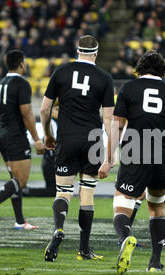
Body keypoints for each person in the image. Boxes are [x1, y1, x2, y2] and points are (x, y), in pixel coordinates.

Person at [99, 50, 165, 273]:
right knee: (157, 209)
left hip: (134, 151)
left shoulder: (129, 88)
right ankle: (155, 263)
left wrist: (108, 159)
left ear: (139, 69)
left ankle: (126, 238)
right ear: (163, 70)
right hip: (162, 155)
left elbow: (117, 126)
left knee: (121, 206)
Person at [41, 35, 115, 262]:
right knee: (87, 194)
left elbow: (45, 109)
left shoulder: (61, 72)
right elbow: (109, 119)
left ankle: (59, 228)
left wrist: (48, 135)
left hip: (66, 137)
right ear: (96, 52)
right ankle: (84, 249)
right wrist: (110, 156)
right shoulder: (104, 77)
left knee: (63, 191)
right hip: (92, 138)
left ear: (77, 50)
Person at [0, 50, 45, 231]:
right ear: (21, 64)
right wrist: (36, 138)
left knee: (14, 179)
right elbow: (26, 112)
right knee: (21, 181)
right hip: (16, 136)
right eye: (25, 63)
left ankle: (19, 220)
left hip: (3, 136)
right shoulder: (22, 84)